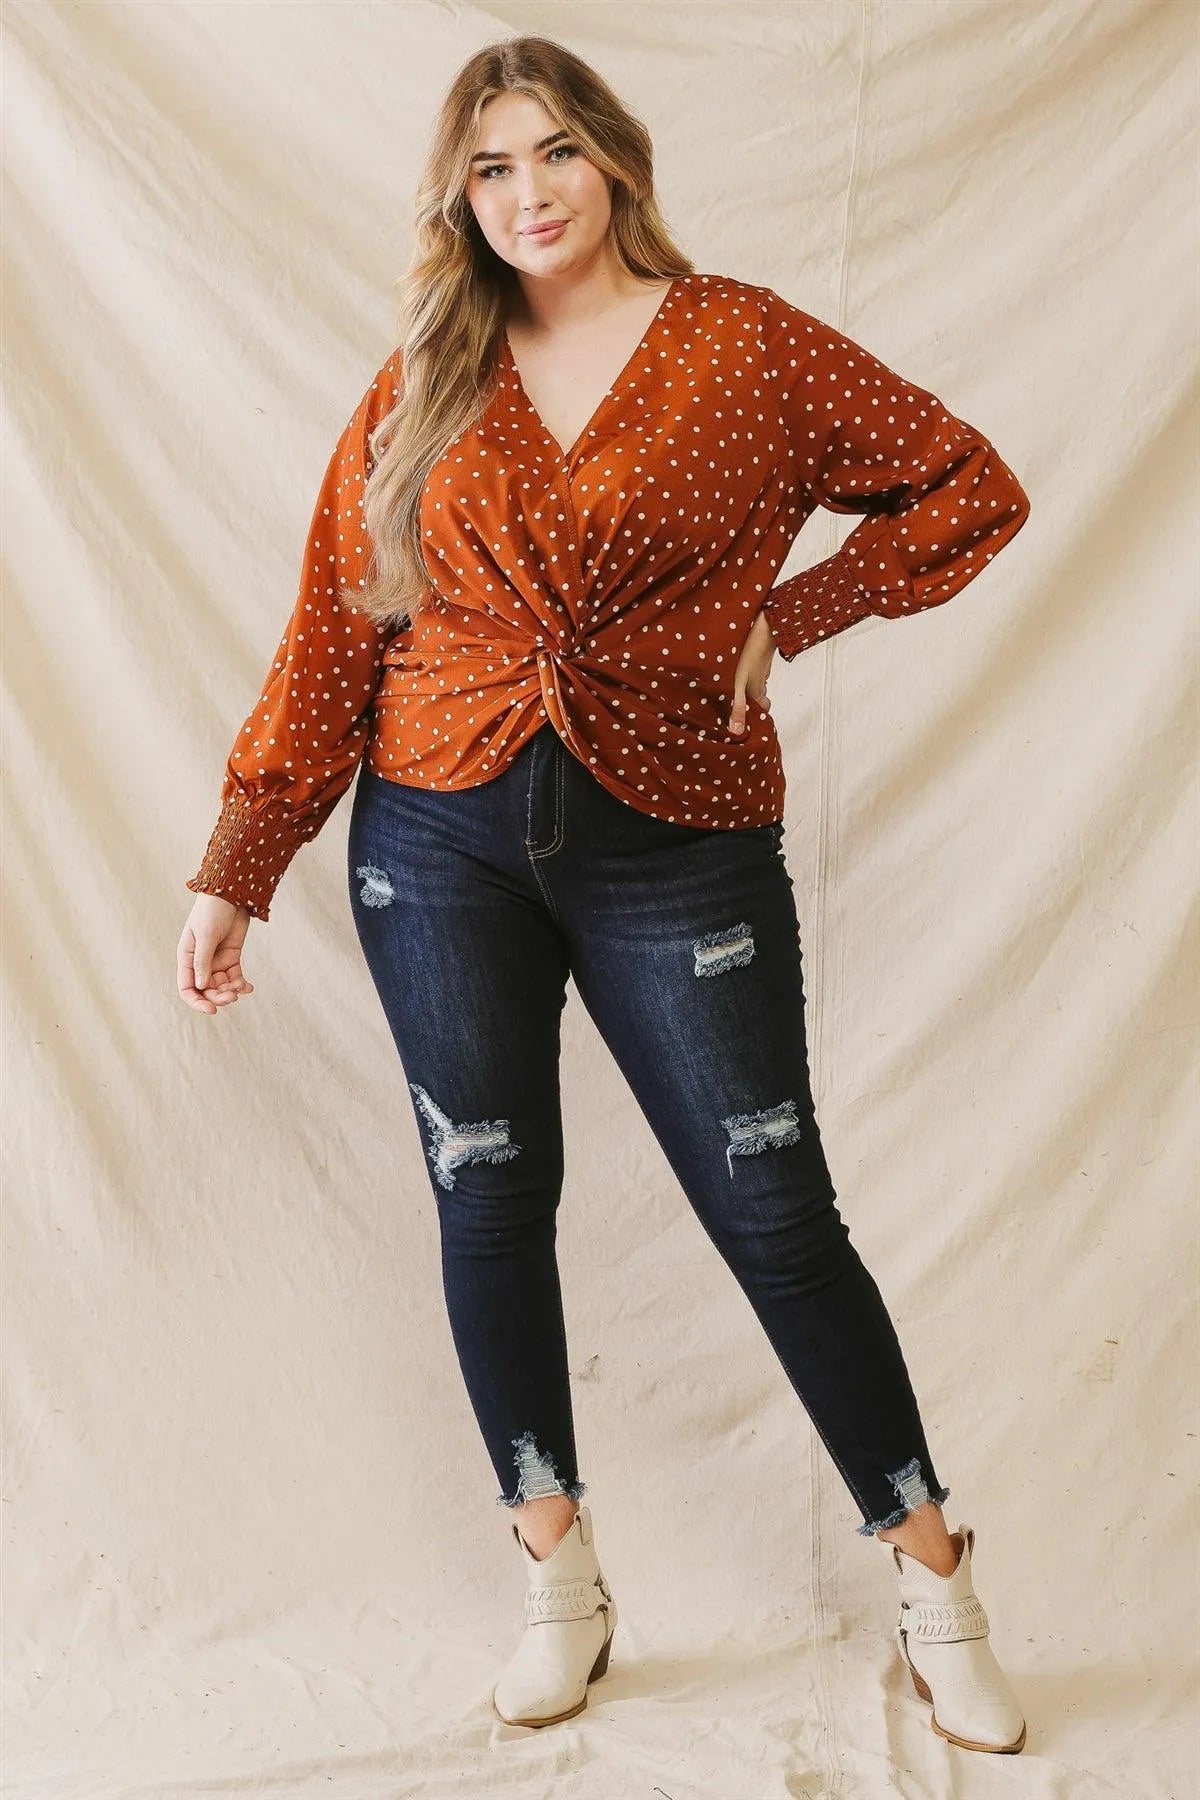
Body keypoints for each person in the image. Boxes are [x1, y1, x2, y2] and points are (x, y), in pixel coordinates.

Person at [177, 34, 1031, 1752]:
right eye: (490, 169)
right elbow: (337, 623)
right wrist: (240, 866)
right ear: (459, 199)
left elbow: (971, 487)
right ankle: (558, 1578)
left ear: (616, 159)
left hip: (681, 838)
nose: (529, 194)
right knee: (489, 1203)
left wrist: (797, 611)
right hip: (434, 840)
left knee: (778, 1216)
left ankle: (937, 1585)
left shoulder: (745, 345)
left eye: (553, 152)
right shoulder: (428, 372)